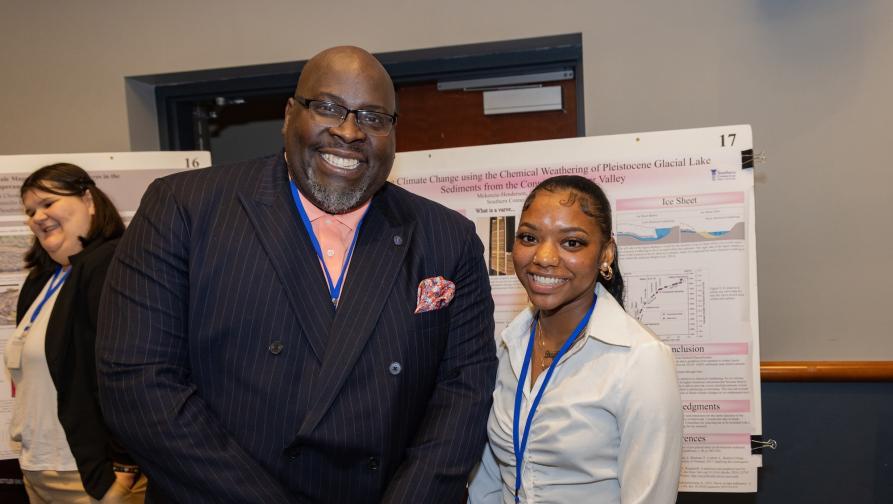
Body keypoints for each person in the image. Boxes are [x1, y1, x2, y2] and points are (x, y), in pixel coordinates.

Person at [95, 46, 497, 503]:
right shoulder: (185, 208)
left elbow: (464, 390)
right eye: (327, 108)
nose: (348, 132)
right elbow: (138, 381)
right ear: (289, 115)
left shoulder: (448, 237)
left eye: (373, 117)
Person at [467, 175, 682, 503]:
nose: (544, 257)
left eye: (572, 243)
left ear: (606, 253)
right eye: (528, 237)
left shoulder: (641, 359)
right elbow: (489, 482)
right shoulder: (509, 347)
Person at [4, 163, 146, 503]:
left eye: (48, 203)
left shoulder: (109, 265)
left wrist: (124, 469)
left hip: (90, 478)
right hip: (38, 469)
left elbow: (128, 370)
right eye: (30, 210)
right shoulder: (41, 281)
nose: (38, 216)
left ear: (89, 200)